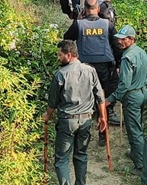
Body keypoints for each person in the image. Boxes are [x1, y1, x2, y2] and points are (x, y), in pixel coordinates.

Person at [42, 40, 107, 185]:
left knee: (61, 159)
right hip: (86, 120)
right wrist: (102, 117)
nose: (58, 58)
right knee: (81, 155)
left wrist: (47, 115)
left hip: (67, 121)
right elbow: (100, 96)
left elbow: (53, 101)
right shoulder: (90, 70)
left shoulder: (60, 74)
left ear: (69, 55)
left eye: (59, 55)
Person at [64, 0, 122, 144]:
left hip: (84, 66)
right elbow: (116, 45)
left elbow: (67, 40)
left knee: (84, 98)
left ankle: (84, 134)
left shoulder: (78, 24)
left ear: (84, 10)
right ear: (98, 10)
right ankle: (103, 135)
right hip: (104, 66)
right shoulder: (107, 24)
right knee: (102, 98)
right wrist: (118, 64)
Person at [105, 25, 147, 173]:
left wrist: (110, 99)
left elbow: (124, 85)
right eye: (119, 39)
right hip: (143, 92)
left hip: (132, 96)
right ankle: (137, 152)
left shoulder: (127, 58)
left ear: (131, 39)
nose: (120, 42)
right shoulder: (141, 51)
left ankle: (140, 165)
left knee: (134, 131)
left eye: (123, 39)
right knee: (139, 126)